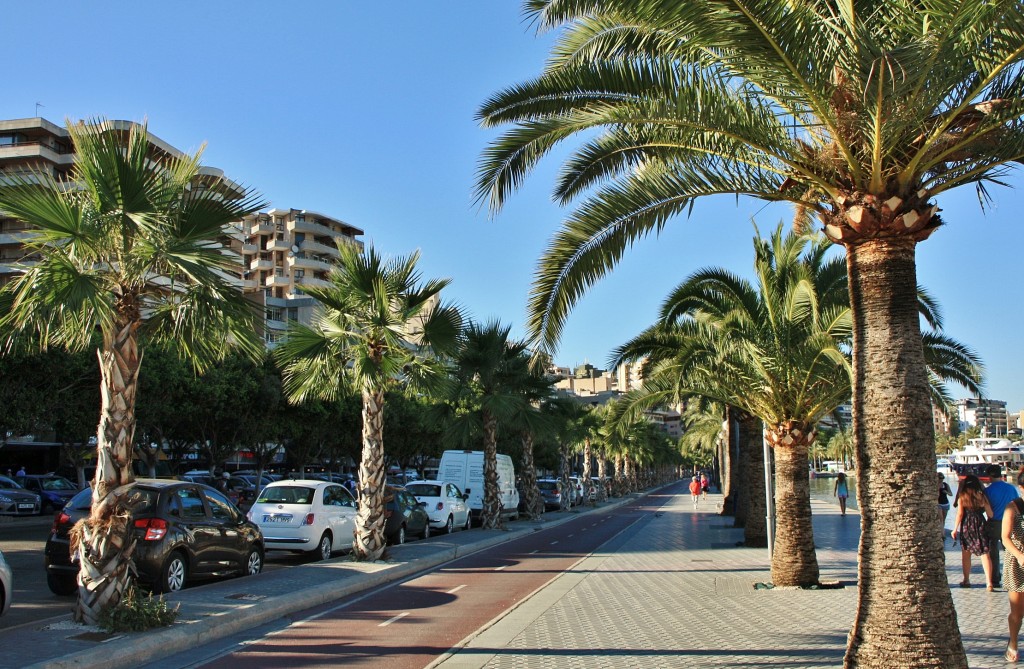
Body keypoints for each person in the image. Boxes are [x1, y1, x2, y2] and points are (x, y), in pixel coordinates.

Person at [951, 474, 995, 589]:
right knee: (985, 554)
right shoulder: (982, 496)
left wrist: (955, 529)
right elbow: (990, 514)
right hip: (980, 524)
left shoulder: (962, 496)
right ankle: (989, 582)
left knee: (966, 553)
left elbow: (960, 514)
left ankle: (966, 580)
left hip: (967, 524)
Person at [1001, 468, 1024, 662]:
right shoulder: (1012, 508)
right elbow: (1005, 537)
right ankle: (1013, 642)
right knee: (1017, 611)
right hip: (1018, 564)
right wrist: (1019, 555)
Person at [985, 464, 1020, 590]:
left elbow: (986, 508)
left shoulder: (988, 491)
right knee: (1010, 551)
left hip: (994, 523)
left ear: (989, 476)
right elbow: (1018, 504)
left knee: (993, 552)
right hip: (1012, 522)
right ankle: (1014, 577)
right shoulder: (1011, 488)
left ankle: (995, 580)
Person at [938, 473, 953, 539]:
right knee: (940, 518)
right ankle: (942, 534)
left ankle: (942, 533)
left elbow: (951, 494)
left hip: (945, 503)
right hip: (938, 504)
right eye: (940, 478)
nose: (941, 480)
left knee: (943, 519)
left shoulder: (946, 485)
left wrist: (946, 492)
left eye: (942, 478)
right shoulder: (935, 485)